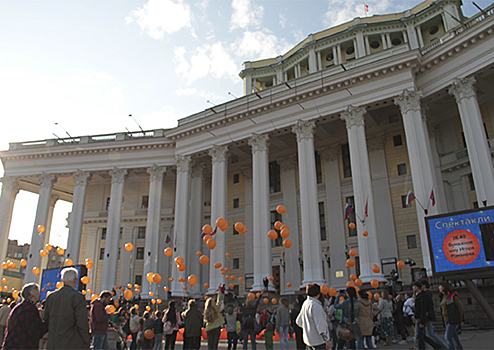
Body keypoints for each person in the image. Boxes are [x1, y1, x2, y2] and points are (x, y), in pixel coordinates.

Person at [44, 267, 91, 349]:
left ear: (62, 280)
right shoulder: (77, 297)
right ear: (75, 280)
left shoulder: (51, 297)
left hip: (53, 342)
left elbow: (46, 319)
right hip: (71, 342)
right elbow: (82, 322)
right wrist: (87, 339)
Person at [1, 283, 48, 349]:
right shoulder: (30, 308)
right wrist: (47, 323)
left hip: (11, 345)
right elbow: (35, 330)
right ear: (33, 294)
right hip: (23, 345)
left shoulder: (18, 306)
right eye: (37, 291)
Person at [296, 283, 331, 350]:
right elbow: (320, 325)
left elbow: (298, 321)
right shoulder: (316, 306)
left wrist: (307, 327)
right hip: (318, 341)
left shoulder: (305, 303)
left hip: (308, 339)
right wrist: (326, 340)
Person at [421, 280, 449, 350]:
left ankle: (445, 347)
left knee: (429, 334)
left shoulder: (427, 293)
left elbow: (427, 305)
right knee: (428, 333)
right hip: (428, 315)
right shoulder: (427, 293)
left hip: (428, 315)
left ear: (424, 286)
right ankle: (443, 346)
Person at [439, 281, 463, 350]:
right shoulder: (443, 296)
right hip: (446, 320)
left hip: (452, 319)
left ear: (444, 287)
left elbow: (460, 308)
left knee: (448, 337)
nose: (439, 288)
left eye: (440, 286)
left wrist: (461, 319)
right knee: (455, 337)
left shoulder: (452, 296)